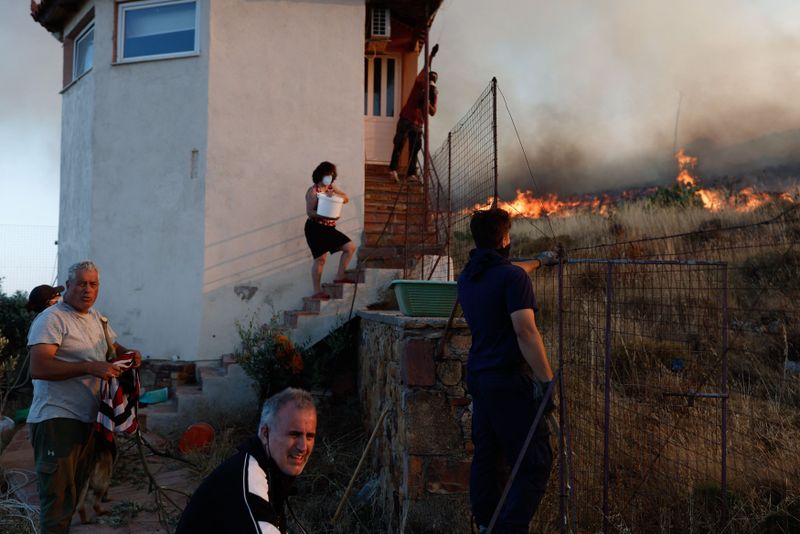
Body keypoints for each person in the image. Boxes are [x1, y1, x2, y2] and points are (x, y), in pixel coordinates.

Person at [457, 208, 558, 533]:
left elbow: (511, 270)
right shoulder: (512, 279)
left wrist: (540, 261)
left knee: (487, 456)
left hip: (479, 378)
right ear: (504, 240)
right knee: (535, 463)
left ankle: (485, 524)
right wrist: (547, 380)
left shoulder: (469, 275)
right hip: (507, 381)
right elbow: (525, 332)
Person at [26, 260, 141, 533]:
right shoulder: (52, 319)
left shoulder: (95, 318)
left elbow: (112, 346)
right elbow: (39, 367)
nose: (87, 289)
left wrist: (130, 353)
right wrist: (90, 367)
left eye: (93, 284)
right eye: (81, 283)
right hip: (57, 419)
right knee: (57, 502)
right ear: (68, 286)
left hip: (89, 419)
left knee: (75, 494)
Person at [176, 388, 317, 534]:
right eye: (294, 434)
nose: (303, 447)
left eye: (310, 436)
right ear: (265, 434)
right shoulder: (249, 476)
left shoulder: (269, 470)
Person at [304, 161, 357, 299]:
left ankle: (340, 276)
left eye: (332, 175)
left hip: (329, 228)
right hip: (315, 228)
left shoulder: (331, 188)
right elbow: (310, 212)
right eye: (328, 174)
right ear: (320, 174)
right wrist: (326, 215)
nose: (330, 177)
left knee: (350, 247)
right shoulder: (313, 191)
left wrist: (334, 196)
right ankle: (317, 291)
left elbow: (345, 198)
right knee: (320, 258)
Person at [388, 44, 439, 184]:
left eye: (432, 81)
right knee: (399, 144)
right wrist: (432, 55)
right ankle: (393, 170)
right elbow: (427, 65)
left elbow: (433, 112)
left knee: (414, 150)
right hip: (406, 118)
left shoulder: (433, 93)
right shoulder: (419, 82)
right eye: (429, 79)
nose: (430, 82)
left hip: (418, 125)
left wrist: (427, 101)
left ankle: (411, 174)